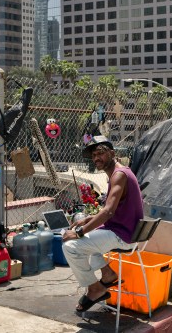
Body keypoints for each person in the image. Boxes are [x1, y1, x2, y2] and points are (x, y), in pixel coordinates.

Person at [62, 135, 143, 314]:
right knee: (90, 237)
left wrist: (79, 232)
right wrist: (87, 220)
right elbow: (110, 210)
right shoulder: (120, 173)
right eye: (93, 155)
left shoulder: (119, 175)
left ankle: (95, 289)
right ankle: (108, 274)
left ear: (112, 153)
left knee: (71, 246)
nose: (96, 158)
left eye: (100, 153)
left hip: (123, 236)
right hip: (124, 231)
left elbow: (108, 212)